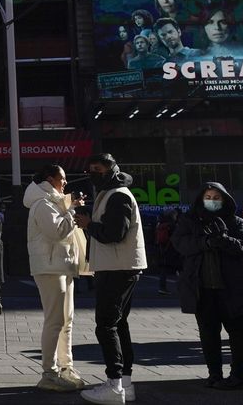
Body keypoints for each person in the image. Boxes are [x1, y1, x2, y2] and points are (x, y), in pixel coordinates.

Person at [172, 183, 243, 391]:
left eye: (217, 197)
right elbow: (180, 245)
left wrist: (224, 240)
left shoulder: (236, 221)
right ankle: (214, 374)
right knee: (209, 333)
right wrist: (206, 242)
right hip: (203, 289)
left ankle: (238, 375)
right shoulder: (189, 221)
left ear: (225, 200)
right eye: (208, 196)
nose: (212, 200)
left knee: (238, 332)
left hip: (232, 288)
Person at [75, 153, 147, 405]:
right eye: (91, 168)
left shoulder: (117, 195)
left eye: (98, 169)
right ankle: (125, 383)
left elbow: (113, 233)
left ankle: (114, 384)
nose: (93, 173)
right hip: (119, 266)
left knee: (106, 325)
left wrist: (87, 224)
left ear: (110, 171)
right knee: (118, 324)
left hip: (117, 268)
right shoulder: (112, 193)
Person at [24, 164, 89, 393]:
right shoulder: (42, 204)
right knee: (55, 321)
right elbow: (57, 231)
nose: (66, 183)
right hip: (50, 267)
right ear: (50, 180)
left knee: (66, 320)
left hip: (61, 265)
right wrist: (71, 212)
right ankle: (49, 372)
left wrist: (69, 207)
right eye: (62, 179)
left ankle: (65, 367)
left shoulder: (52, 202)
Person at [154, 209, 180, 296]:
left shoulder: (160, 225)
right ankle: (181, 288)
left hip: (162, 249)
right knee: (180, 268)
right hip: (172, 250)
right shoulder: (173, 225)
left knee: (164, 270)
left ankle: (162, 288)